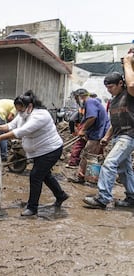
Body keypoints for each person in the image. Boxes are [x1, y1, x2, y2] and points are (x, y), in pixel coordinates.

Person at [0, 90, 69, 216]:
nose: (19, 112)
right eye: (17, 110)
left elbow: (22, 131)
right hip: (39, 151)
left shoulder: (41, 116)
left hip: (51, 150)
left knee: (35, 176)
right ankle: (61, 195)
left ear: (30, 106)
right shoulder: (23, 115)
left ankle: (32, 208)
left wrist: (0, 138)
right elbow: (11, 125)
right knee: (44, 175)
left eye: (21, 109)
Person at [83, 54, 134, 209]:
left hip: (129, 136)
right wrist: (106, 137)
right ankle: (132, 197)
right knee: (125, 169)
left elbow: (131, 84)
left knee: (109, 163)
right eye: (107, 88)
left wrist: (127, 62)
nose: (109, 90)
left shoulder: (130, 95)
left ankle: (103, 198)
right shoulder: (114, 101)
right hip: (118, 136)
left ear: (121, 83)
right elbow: (115, 122)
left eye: (111, 87)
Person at [68, 89, 110, 183]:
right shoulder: (92, 102)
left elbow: (92, 117)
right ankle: (86, 176)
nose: (76, 101)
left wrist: (83, 130)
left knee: (87, 154)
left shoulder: (90, 101)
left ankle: (81, 176)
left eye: (76, 98)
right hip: (96, 132)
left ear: (80, 96)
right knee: (93, 154)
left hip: (98, 133)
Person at [66, 89, 87, 168]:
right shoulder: (84, 107)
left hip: (84, 129)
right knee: (95, 148)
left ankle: (73, 162)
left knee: (78, 146)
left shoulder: (83, 108)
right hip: (89, 130)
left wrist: (73, 131)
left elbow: (71, 120)